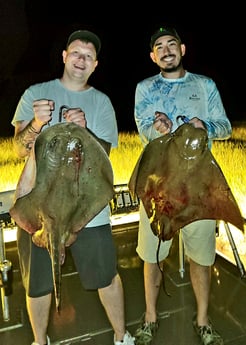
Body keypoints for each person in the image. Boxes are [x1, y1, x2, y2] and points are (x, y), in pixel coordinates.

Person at [11, 29, 135, 345]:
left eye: (88, 56)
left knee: (106, 277)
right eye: (76, 53)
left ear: (95, 65)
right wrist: (37, 123)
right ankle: (40, 341)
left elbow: (103, 156)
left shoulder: (101, 103)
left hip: (87, 211)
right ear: (64, 56)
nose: (81, 60)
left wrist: (86, 131)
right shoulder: (35, 93)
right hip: (39, 210)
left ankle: (122, 337)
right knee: (38, 284)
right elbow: (19, 148)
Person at [133, 26, 232, 345]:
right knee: (152, 257)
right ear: (153, 56)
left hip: (199, 190)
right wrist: (155, 129)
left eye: (171, 44)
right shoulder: (145, 88)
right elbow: (142, 130)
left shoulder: (205, 86)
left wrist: (206, 126)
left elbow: (226, 127)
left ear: (183, 49)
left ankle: (203, 321)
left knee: (201, 259)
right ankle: (150, 316)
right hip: (157, 187)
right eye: (158, 46)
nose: (165, 50)